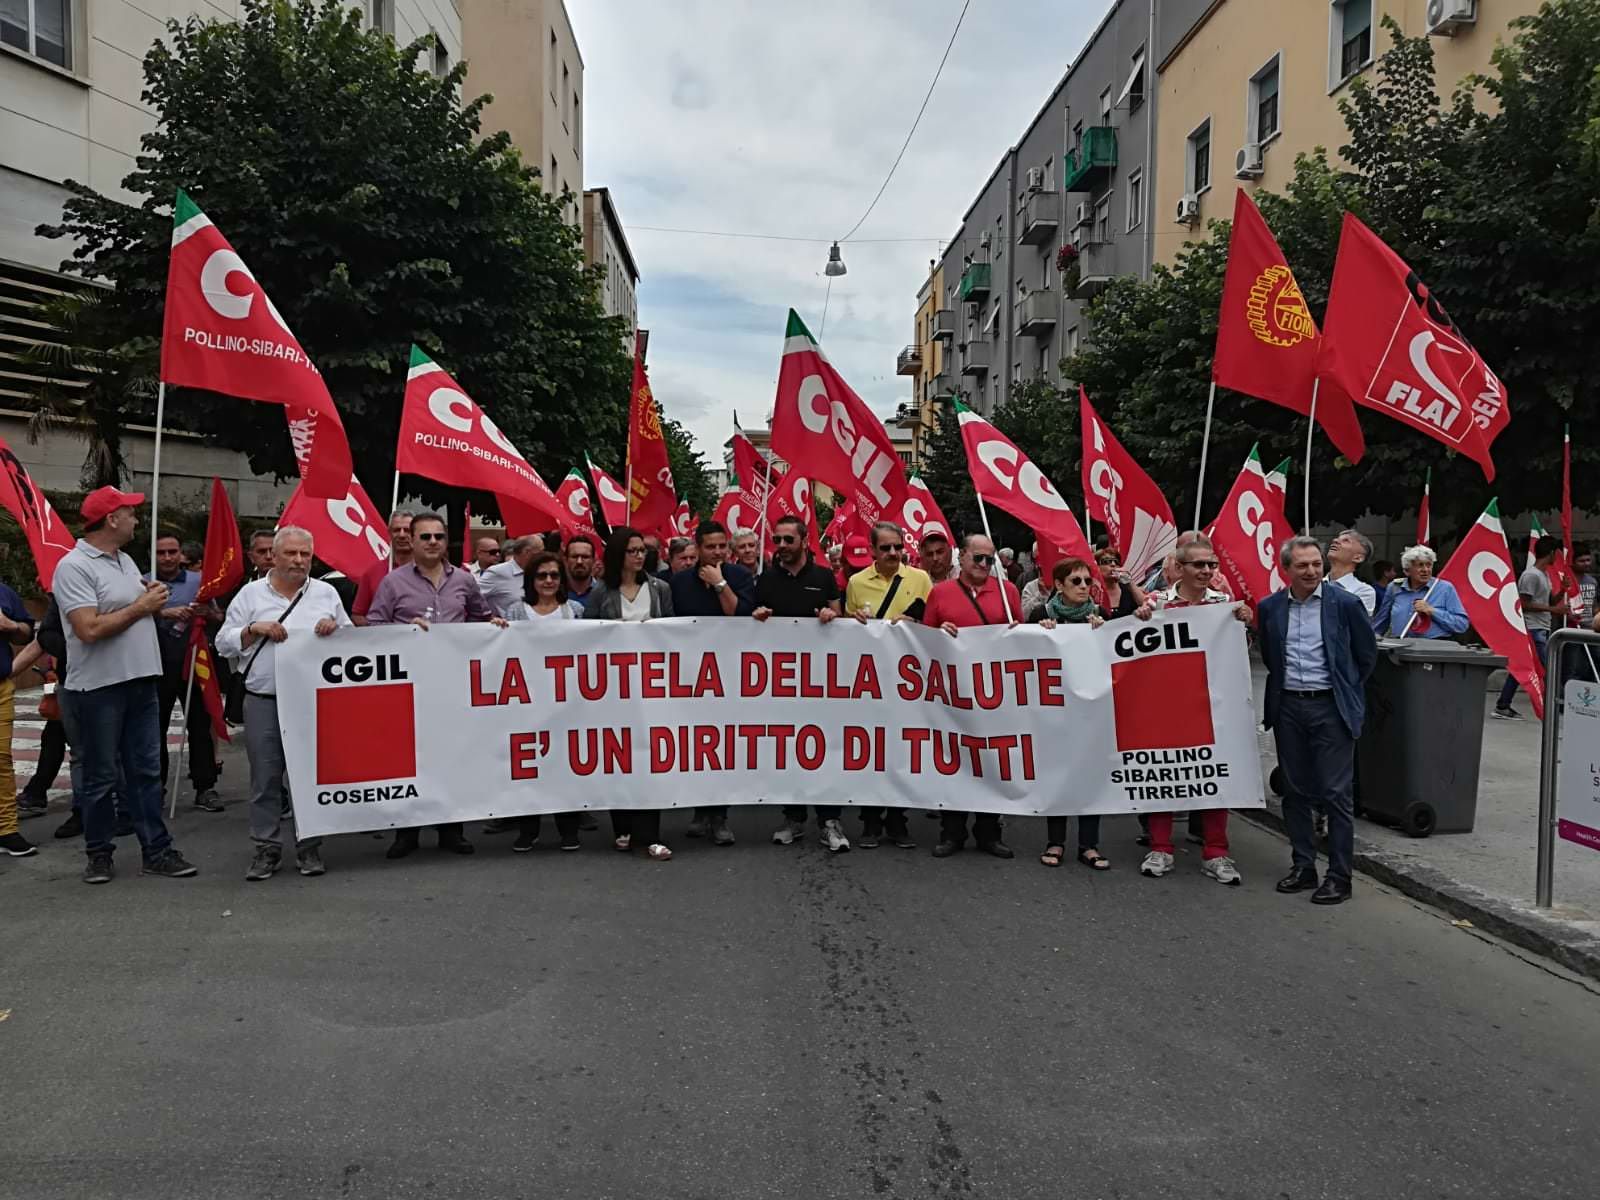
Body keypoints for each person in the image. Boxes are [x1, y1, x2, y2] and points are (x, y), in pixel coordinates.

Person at [52, 486, 197, 884]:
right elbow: (88, 629)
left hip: (140, 681)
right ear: (111, 519)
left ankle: (157, 849)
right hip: (99, 688)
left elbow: (130, 612)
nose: (137, 518)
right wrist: (142, 606)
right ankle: (99, 853)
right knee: (101, 777)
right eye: (130, 513)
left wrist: (156, 604)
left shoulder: (125, 560)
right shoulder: (74, 566)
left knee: (147, 772)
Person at [368, 511, 506, 858]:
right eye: (425, 537)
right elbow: (372, 627)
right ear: (411, 541)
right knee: (408, 758)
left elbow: (478, 617)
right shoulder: (392, 583)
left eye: (438, 537)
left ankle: (451, 830)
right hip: (408, 688)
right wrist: (402, 631)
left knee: (450, 758)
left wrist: (495, 625)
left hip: (453, 686)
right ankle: (406, 833)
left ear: (447, 542)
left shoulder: (463, 581)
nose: (432, 542)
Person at [217, 526, 350, 880]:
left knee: (310, 777)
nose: (298, 560)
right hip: (265, 701)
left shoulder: (325, 593)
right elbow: (223, 643)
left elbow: (351, 639)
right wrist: (252, 630)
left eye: (305, 554)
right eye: (290, 553)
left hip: (312, 701)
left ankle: (309, 847)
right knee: (265, 778)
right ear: (273, 557)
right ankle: (266, 848)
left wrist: (335, 627)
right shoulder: (249, 596)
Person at [1258, 536, 1378, 906]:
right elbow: (1269, 655)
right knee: (1294, 791)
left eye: (1316, 564)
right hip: (1289, 707)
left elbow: (1366, 656)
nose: (1311, 571)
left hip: (1331, 708)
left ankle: (1339, 877)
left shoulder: (1345, 604)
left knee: (1335, 793)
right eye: (1302, 566)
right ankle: (1303, 866)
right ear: (1287, 569)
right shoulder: (1270, 607)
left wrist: (1344, 691)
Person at [1134, 533, 1251, 886]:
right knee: (1164, 774)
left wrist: (1244, 623)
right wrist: (1139, 618)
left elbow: (1237, 652)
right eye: (1198, 565)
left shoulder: (1225, 605)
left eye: (1211, 565)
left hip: (1212, 705)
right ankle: (1160, 848)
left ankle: (1216, 852)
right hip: (1166, 705)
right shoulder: (1156, 604)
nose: (1206, 571)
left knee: (1214, 775)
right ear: (1179, 568)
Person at [754, 514, 853, 852]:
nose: (781, 547)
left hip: (821, 683)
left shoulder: (824, 577)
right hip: (781, 683)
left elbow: (839, 616)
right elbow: (750, 625)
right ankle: (793, 817)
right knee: (788, 751)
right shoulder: (765, 580)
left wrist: (831, 615)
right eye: (777, 540)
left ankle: (829, 819)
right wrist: (757, 618)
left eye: (788, 540)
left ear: (803, 542)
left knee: (825, 750)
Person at [923, 532, 1022, 859]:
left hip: (994, 694)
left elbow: (1021, 637)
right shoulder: (940, 593)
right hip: (952, 695)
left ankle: (989, 832)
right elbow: (922, 641)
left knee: (991, 763)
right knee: (955, 763)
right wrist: (939, 633)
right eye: (977, 558)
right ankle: (952, 832)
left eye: (989, 559)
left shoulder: (1008, 592)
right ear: (961, 557)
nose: (983, 565)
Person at [584, 526, 674, 861]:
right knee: (618, 757)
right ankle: (622, 828)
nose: (639, 556)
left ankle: (650, 834)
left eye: (642, 550)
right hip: (614, 690)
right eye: (633, 550)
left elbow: (674, 632)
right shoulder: (602, 593)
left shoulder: (660, 588)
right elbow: (587, 636)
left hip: (652, 689)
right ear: (619, 555)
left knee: (650, 758)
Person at [671, 520, 755, 845]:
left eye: (722, 546)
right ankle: (699, 811)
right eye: (711, 547)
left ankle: (720, 817)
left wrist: (720, 584)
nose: (718, 551)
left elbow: (740, 617)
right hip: (690, 676)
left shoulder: (740, 578)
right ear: (698, 547)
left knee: (723, 746)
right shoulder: (678, 582)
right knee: (694, 744)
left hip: (730, 676)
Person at [1027, 557, 1110, 871]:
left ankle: (1089, 844)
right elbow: (1023, 659)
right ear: (1058, 585)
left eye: (1087, 581)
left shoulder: (1100, 615)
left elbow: (1114, 659)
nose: (1084, 587)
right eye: (1075, 581)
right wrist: (1039, 633)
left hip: (1091, 710)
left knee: (1090, 776)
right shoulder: (1041, 615)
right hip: (1055, 709)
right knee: (1058, 775)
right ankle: (1055, 841)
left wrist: (1106, 633)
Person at [145, 533, 223, 813]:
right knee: (155, 730)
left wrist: (207, 613)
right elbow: (131, 618)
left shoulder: (198, 581)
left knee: (200, 727)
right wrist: (164, 614)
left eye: (172, 552)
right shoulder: (142, 583)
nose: (167, 558)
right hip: (155, 666)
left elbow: (219, 617)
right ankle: (156, 789)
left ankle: (206, 787)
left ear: (181, 554)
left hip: (193, 663)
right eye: (161, 552)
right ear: (153, 555)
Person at [1495, 534, 1564, 720]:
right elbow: (1524, 604)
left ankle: (1503, 704)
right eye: (1556, 553)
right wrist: (1553, 608)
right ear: (1551, 553)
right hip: (1533, 628)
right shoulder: (1530, 575)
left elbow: (1548, 600)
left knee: (1525, 668)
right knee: (1548, 666)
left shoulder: (1544, 575)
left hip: (1543, 625)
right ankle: (1559, 703)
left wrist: (1562, 592)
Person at [0, 570, 35, 858]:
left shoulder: (4, 592)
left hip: (0, 688)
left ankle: (6, 829)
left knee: (1, 760)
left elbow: (27, 633)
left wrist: (10, 625)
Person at [1372, 545, 1469, 640]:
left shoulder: (1445, 588)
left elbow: (1461, 625)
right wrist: (1372, 637)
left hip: (1434, 647)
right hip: (1400, 647)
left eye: (1429, 565)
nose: (1425, 570)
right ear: (1407, 571)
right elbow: (1382, 620)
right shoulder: (1394, 587)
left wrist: (1432, 611)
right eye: (1420, 565)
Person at [845, 522, 931, 624]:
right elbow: (848, 627)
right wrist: (855, 619)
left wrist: (914, 622)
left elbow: (933, 623)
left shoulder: (921, 578)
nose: (893, 553)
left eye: (898, 547)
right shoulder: (855, 582)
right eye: (885, 548)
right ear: (872, 550)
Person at [352, 510, 414, 625]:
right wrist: (375, 630)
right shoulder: (372, 572)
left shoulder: (427, 571)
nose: (401, 535)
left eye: (407, 530)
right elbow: (357, 615)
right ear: (389, 533)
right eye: (396, 530)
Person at [476, 534, 545, 618]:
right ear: (527, 552)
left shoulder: (541, 572)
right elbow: (473, 599)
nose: (543, 556)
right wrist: (490, 617)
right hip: (509, 628)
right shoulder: (497, 572)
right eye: (540, 552)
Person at [508, 551, 584, 621]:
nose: (549, 580)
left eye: (554, 575)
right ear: (531, 579)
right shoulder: (515, 612)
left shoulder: (576, 609)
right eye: (542, 576)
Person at [1326, 529, 1377, 617]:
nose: (1335, 540)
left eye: (1346, 541)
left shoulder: (1364, 591)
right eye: (1337, 539)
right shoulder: (1314, 584)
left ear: (1358, 558)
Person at [1094, 548, 1146, 619]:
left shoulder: (1129, 589)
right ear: (1097, 567)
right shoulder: (1093, 591)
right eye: (1106, 561)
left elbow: (1146, 605)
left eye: (1116, 562)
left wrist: (1130, 583)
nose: (1113, 564)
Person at [563, 534, 600, 610]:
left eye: (585, 557)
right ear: (566, 560)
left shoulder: (603, 594)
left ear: (593, 560)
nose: (579, 561)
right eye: (574, 556)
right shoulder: (555, 593)